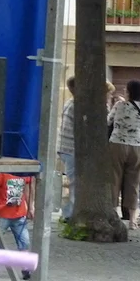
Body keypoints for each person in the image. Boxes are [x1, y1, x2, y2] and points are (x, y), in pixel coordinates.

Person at [108, 79, 140, 229]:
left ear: (129, 91)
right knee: (133, 182)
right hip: (138, 146)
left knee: (114, 179)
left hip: (117, 144)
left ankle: (113, 214)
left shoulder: (119, 105)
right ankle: (132, 219)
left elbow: (108, 121)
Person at [0, 172, 34, 279]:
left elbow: (27, 189)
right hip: (3, 215)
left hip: (19, 215)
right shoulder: (3, 173)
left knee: (25, 241)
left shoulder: (24, 172)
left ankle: (26, 267)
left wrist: (30, 206)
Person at [57, 76, 76, 221]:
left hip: (65, 148)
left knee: (72, 182)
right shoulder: (76, 105)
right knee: (74, 183)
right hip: (71, 149)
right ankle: (69, 215)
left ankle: (68, 213)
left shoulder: (70, 102)